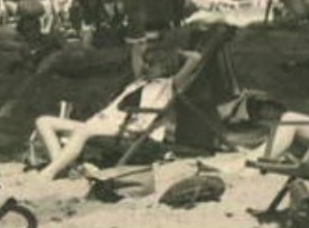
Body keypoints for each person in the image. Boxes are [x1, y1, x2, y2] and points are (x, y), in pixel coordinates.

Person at [31, 46, 204, 179]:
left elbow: (196, 58)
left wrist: (177, 51)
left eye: (154, 64)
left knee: (82, 132)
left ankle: (50, 172)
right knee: (43, 121)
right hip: (103, 122)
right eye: (148, 63)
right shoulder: (139, 81)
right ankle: (61, 166)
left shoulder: (169, 85)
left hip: (129, 128)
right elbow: (136, 52)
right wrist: (141, 46)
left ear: (166, 67)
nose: (148, 67)